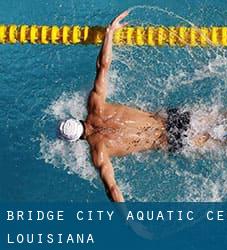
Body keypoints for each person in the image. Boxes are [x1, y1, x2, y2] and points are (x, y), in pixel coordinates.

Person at [58, 11, 210, 202]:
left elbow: (112, 189)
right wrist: (109, 33)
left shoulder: (99, 152)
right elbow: (103, 66)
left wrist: (131, 223)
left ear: (76, 140)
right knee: (226, 118)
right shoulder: (95, 105)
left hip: (171, 140)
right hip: (172, 118)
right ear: (76, 119)